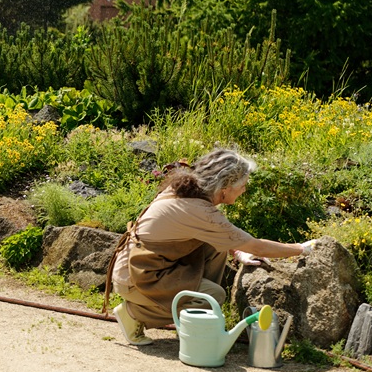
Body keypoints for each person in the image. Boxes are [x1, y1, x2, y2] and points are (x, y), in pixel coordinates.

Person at [106, 148, 318, 346]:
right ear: (224, 189)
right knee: (214, 296)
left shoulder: (187, 191)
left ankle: (190, 317)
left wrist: (238, 251)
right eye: (242, 185)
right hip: (136, 279)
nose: (245, 189)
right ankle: (134, 314)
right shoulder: (199, 211)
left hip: (141, 267)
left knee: (216, 249)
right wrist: (301, 249)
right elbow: (256, 245)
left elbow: (225, 240)